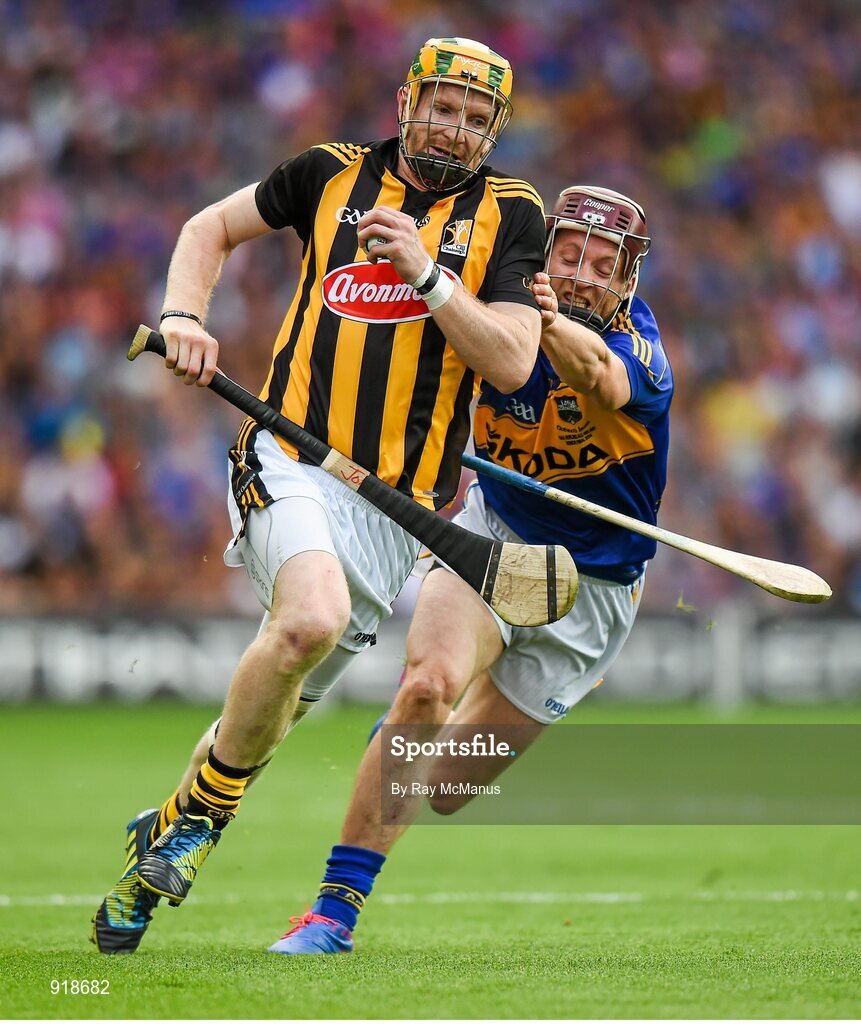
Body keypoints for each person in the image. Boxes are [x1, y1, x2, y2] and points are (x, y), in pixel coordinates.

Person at [90, 36, 548, 955]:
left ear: (492, 130)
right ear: (405, 101)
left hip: (398, 513)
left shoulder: (512, 213)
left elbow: (510, 362)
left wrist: (427, 274)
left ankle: (165, 841)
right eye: (441, 107)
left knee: (267, 713)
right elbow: (204, 232)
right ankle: (194, 827)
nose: (454, 131)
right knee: (307, 621)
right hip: (291, 456)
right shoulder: (328, 173)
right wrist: (185, 314)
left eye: (475, 118)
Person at [269, 184, 673, 953]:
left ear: (627, 280)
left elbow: (598, 380)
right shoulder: (492, 314)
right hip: (493, 538)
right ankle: (332, 914)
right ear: (544, 250)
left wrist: (547, 321)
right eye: (568, 255)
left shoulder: (640, 352)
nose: (582, 273)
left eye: (602, 263)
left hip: (592, 590)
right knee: (425, 688)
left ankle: (410, 746)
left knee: (446, 786)